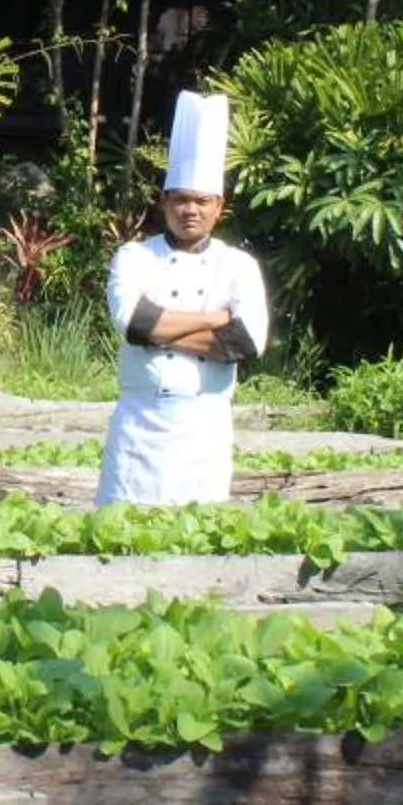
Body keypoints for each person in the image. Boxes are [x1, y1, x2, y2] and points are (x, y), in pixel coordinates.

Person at [98, 90, 271, 506]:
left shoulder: (238, 265)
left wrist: (161, 328)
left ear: (218, 207)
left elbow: (244, 343)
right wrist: (214, 318)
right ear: (164, 202)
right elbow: (135, 324)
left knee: (197, 539)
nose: (190, 210)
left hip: (204, 426)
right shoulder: (134, 256)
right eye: (180, 200)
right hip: (140, 423)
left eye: (201, 201)